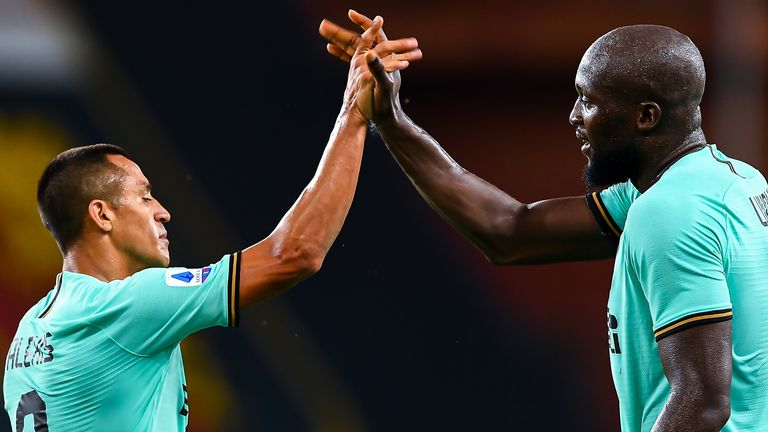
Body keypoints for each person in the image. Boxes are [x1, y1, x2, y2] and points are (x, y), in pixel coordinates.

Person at [320, 12, 768, 432]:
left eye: (588, 101)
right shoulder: (728, 182)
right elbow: (511, 232)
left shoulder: (668, 211)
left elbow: (704, 402)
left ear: (646, 116)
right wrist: (391, 119)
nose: (574, 117)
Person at [2, 16, 422, 431]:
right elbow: (295, 254)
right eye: (145, 195)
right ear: (102, 214)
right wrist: (353, 113)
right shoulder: (129, 306)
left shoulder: (29, 333)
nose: (162, 211)